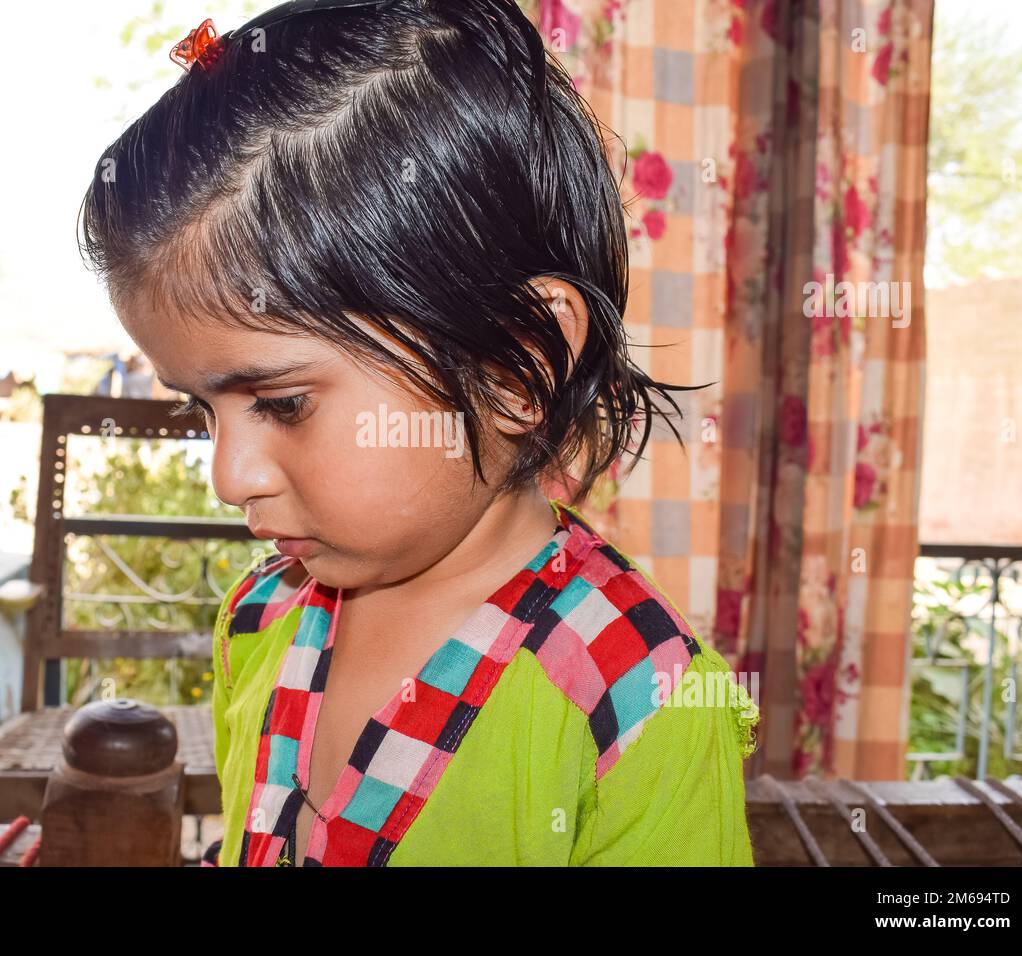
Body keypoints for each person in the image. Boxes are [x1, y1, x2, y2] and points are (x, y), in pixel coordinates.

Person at [79, 0, 758, 867]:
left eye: (283, 403)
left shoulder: (636, 699)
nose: (231, 473)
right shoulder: (263, 618)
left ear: (518, 368)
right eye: (199, 408)